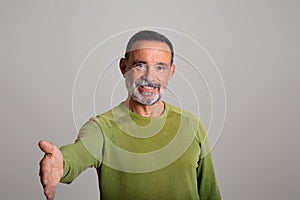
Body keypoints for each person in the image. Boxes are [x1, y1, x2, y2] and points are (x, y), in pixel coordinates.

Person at [39, 30, 221, 200]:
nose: (150, 77)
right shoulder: (102, 128)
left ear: (171, 72)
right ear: (124, 67)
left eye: (160, 68)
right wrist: (62, 164)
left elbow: (210, 194)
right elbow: (78, 154)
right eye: (140, 65)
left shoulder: (191, 125)